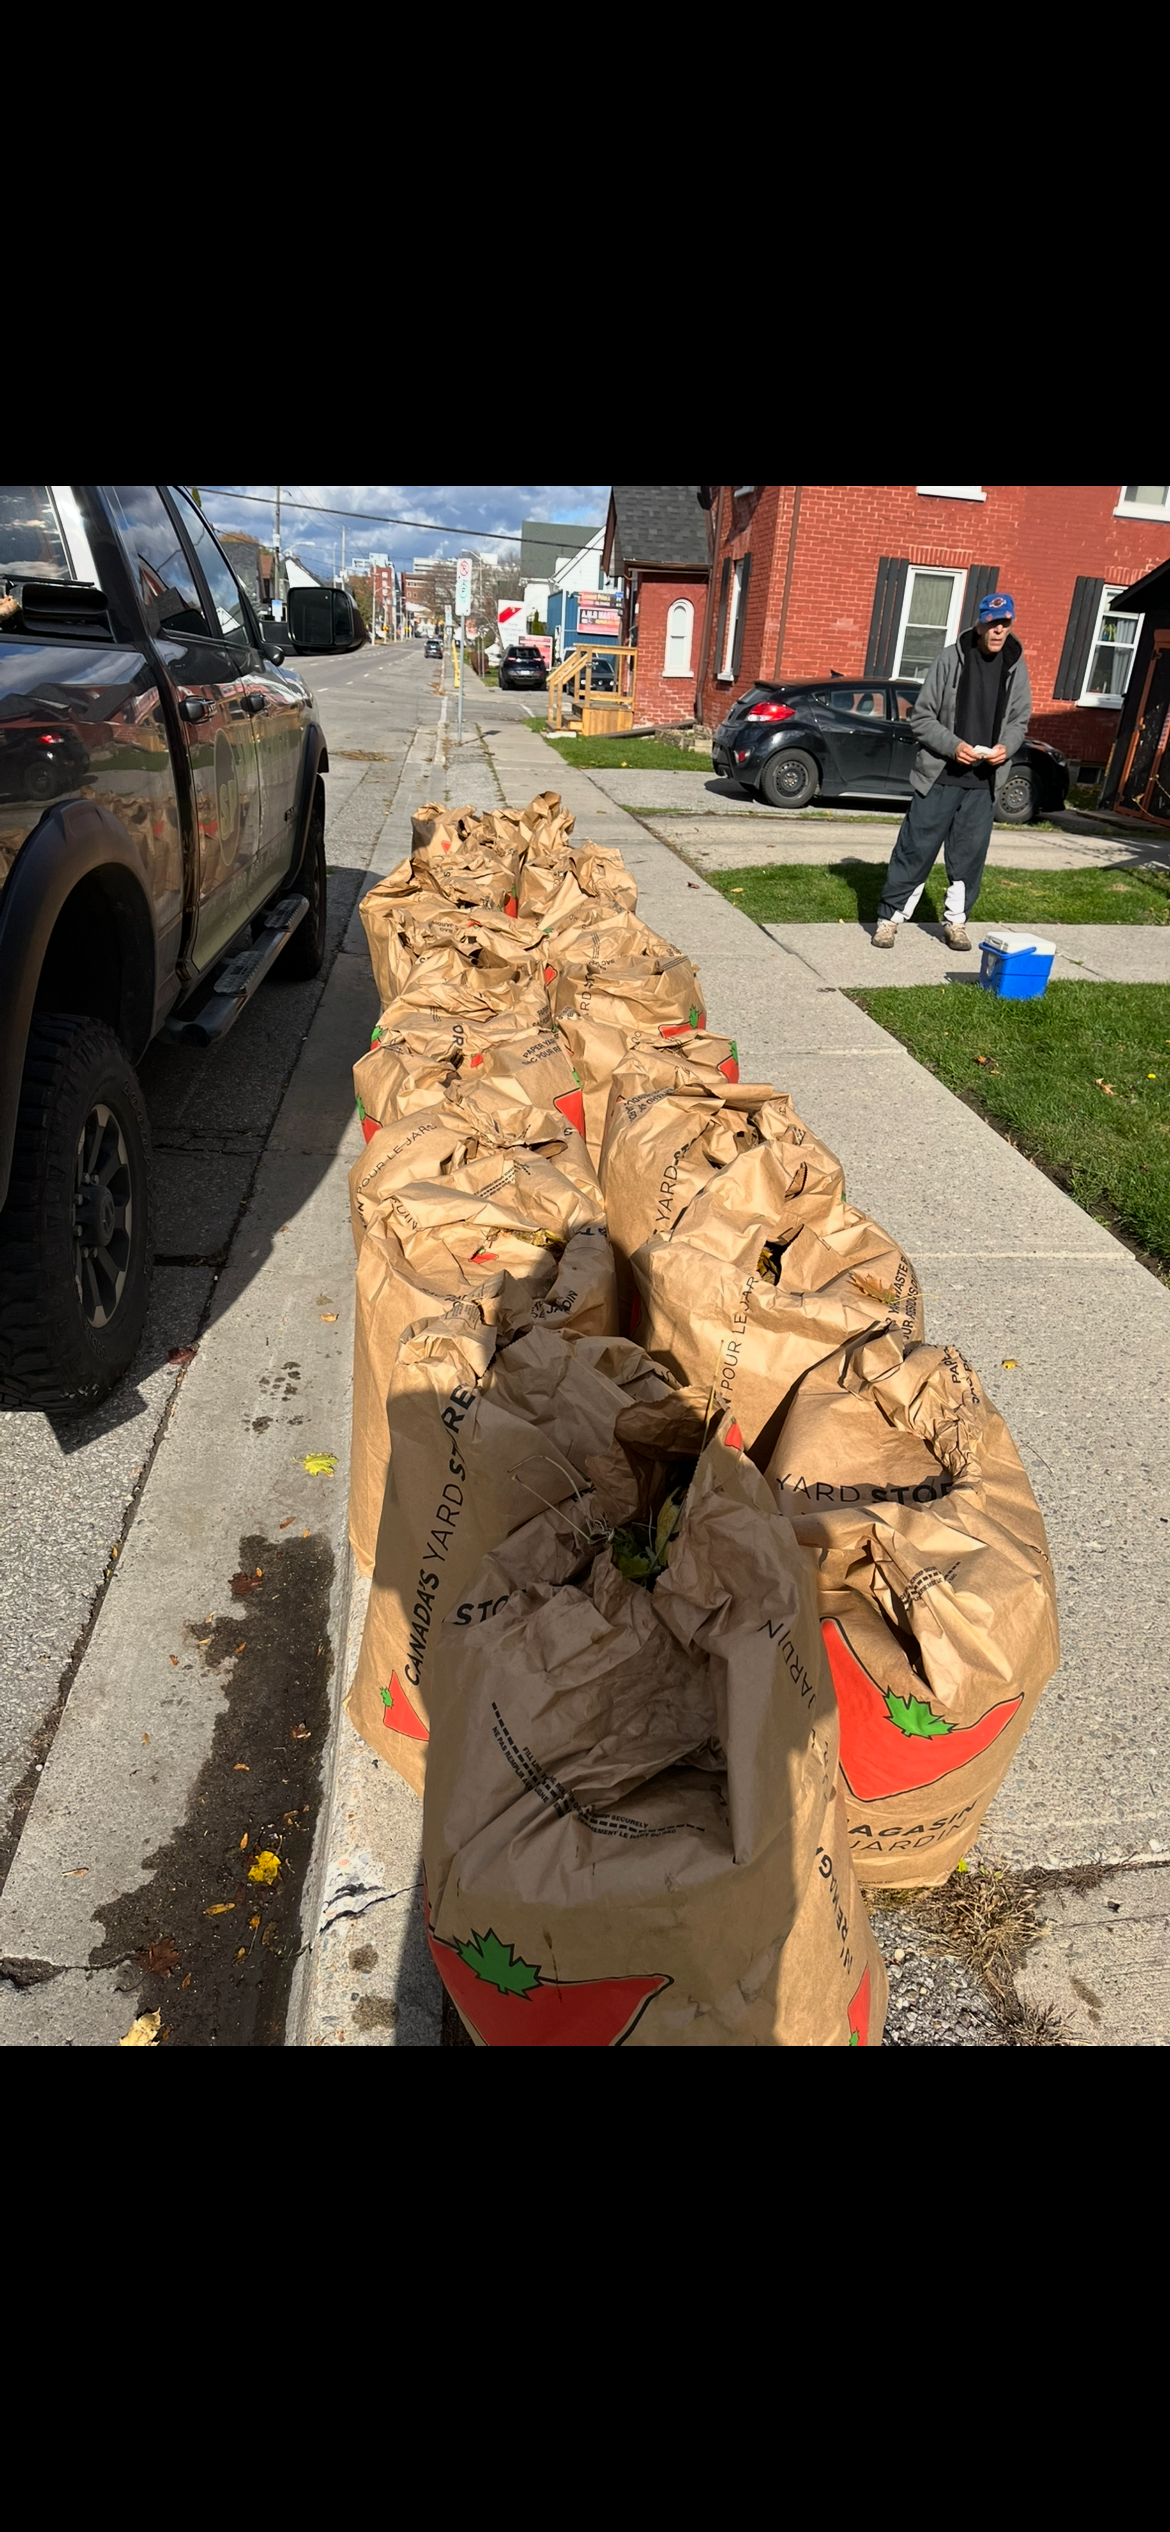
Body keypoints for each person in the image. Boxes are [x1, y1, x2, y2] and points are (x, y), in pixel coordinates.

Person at [873, 592, 1032, 951]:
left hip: (983, 782)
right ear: (979, 624)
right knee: (915, 850)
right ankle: (889, 920)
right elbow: (922, 717)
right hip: (940, 777)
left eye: (1005, 623)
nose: (999, 630)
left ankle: (956, 924)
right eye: (993, 623)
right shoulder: (950, 659)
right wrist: (953, 746)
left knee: (968, 857)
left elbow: (1020, 720)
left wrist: (1006, 747)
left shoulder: (1016, 664)